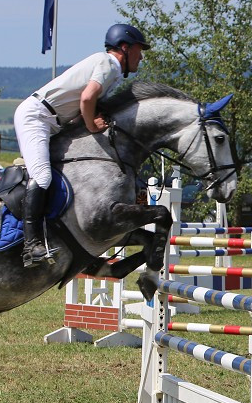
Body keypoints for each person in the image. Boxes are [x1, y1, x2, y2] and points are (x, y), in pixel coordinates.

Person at [13, 23, 150, 267]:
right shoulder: (110, 64)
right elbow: (87, 98)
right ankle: (31, 245)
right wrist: (92, 126)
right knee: (43, 177)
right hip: (37, 117)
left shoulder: (111, 70)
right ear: (125, 48)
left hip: (51, 121)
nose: (141, 57)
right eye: (139, 50)